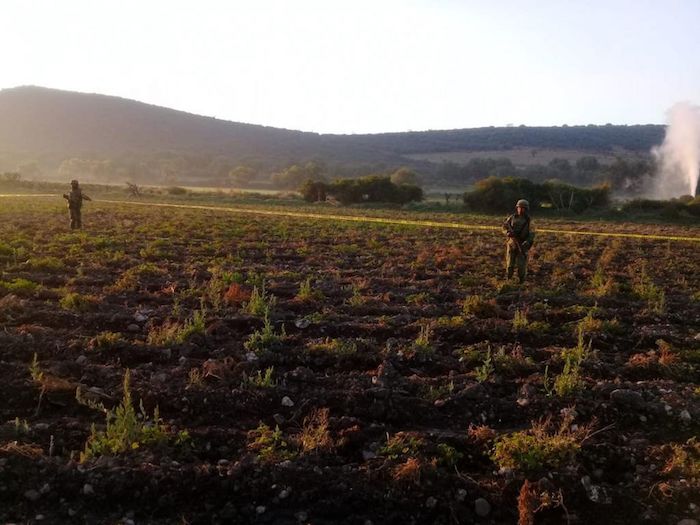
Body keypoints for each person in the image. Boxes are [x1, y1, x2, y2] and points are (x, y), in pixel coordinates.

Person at [502, 199, 535, 283]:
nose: (520, 210)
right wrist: (507, 233)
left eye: (523, 208)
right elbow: (504, 227)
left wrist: (527, 242)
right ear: (517, 208)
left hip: (522, 245)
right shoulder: (511, 218)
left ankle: (521, 282)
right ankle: (508, 280)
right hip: (511, 244)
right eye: (519, 208)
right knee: (510, 265)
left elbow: (532, 234)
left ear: (526, 209)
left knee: (521, 266)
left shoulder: (529, 221)